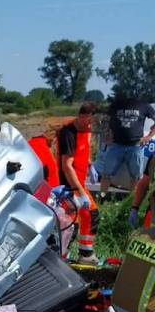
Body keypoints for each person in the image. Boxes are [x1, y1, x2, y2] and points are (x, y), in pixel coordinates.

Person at [56, 102, 98, 264]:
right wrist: (79, 191)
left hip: (80, 182)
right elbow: (67, 166)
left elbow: (84, 150)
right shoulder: (68, 133)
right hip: (68, 184)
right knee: (72, 221)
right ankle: (63, 255)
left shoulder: (86, 129)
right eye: (89, 121)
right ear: (82, 116)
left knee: (88, 215)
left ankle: (84, 253)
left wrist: (90, 164)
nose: (91, 125)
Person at [99, 96, 155, 198]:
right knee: (106, 174)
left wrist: (149, 136)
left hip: (136, 146)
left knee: (136, 177)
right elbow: (106, 119)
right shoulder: (116, 104)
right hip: (116, 145)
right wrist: (107, 134)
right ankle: (101, 197)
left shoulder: (144, 106)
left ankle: (131, 201)